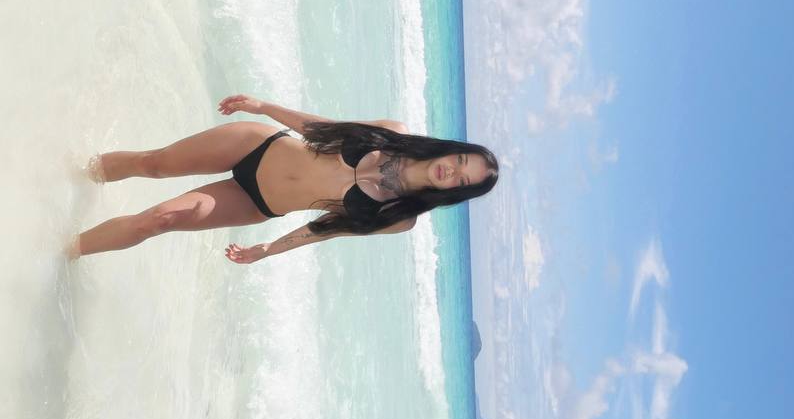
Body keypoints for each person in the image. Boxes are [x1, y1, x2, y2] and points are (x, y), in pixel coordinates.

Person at [70, 95, 499, 262]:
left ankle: (61, 251)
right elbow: (323, 127)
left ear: (457, 192)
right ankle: (74, 171)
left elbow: (327, 229)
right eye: (462, 160)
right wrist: (263, 108)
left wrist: (268, 250)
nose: (454, 171)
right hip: (255, 145)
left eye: (463, 180)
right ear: (452, 149)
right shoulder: (394, 133)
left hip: (256, 203)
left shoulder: (400, 217)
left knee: (157, 220)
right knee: (154, 164)